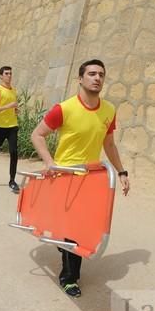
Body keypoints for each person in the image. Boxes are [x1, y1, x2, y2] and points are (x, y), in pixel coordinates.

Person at [31, 59, 130, 297]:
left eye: (101, 75)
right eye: (92, 74)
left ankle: (66, 249)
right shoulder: (64, 108)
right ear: (81, 79)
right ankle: (69, 278)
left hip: (92, 177)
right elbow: (37, 135)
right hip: (65, 177)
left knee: (78, 228)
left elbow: (109, 144)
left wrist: (122, 171)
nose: (97, 78)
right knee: (73, 230)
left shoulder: (109, 111)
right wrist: (49, 162)